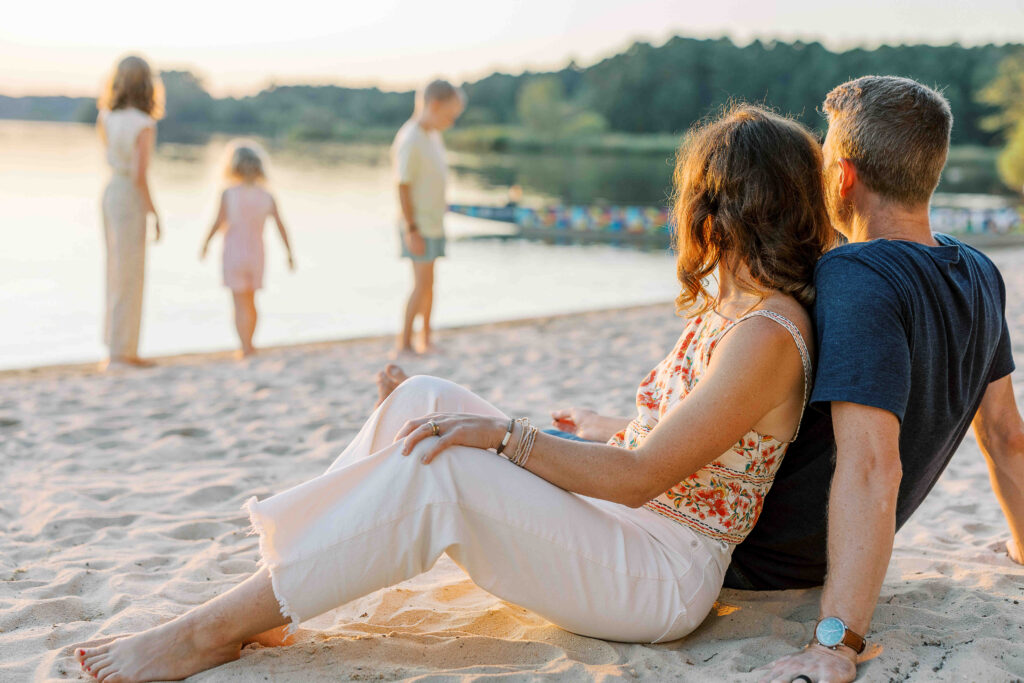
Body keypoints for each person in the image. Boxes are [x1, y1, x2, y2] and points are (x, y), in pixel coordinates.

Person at [73, 104, 835, 682]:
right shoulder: (727, 306)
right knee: (425, 398)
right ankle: (277, 589)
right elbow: (681, 443)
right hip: (626, 524)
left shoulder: (767, 333)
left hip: (662, 572)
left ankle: (208, 630)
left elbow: (642, 481)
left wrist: (507, 435)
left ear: (718, 206)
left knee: (450, 467)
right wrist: (605, 426)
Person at [736, 77, 1023, 683]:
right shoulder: (978, 270)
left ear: (841, 176)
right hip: (826, 552)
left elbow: (872, 466)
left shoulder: (855, 273)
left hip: (758, 556)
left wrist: (835, 644)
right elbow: (1006, 437)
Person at [96, 55, 164, 368]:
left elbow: (111, 156)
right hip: (129, 196)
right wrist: (155, 212)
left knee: (114, 269)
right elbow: (140, 174)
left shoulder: (106, 116)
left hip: (111, 191)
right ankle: (124, 352)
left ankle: (115, 346)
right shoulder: (144, 123)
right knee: (131, 273)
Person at [199, 141, 295, 358]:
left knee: (238, 302)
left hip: (233, 254)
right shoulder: (267, 195)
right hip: (256, 254)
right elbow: (281, 226)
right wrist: (289, 253)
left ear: (233, 167)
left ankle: (243, 347)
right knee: (251, 302)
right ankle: (251, 344)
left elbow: (217, 221)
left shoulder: (228, 193)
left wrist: (206, 243)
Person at [391, 79, 465, 355]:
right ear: (433, 106)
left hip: (434, 221)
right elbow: (403, 184)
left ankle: (427, 337)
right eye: (450, 115)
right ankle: (405, 341)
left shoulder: (432, 136)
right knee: (420, 284)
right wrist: (411, 228)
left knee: (430, 283)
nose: (451, 122)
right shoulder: (410, 138)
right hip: (417, 224)